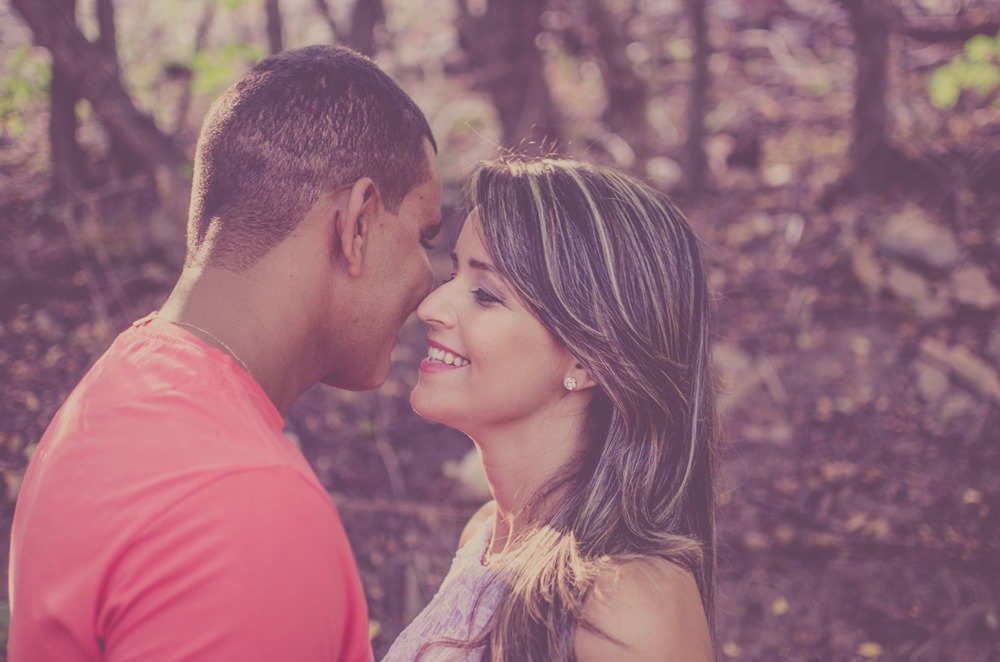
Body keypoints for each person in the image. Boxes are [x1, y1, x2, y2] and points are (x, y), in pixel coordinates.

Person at [8, 45, 442, 661]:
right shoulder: (244, 508)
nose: (431, 284)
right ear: (358, 224)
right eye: (426, 235)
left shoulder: (117, 386)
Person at [383, 155, 717, 662]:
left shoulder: (626, 607)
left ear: (586, 360)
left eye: (485, 294)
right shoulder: (487, 533)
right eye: (454, 273)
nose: (431, 307)